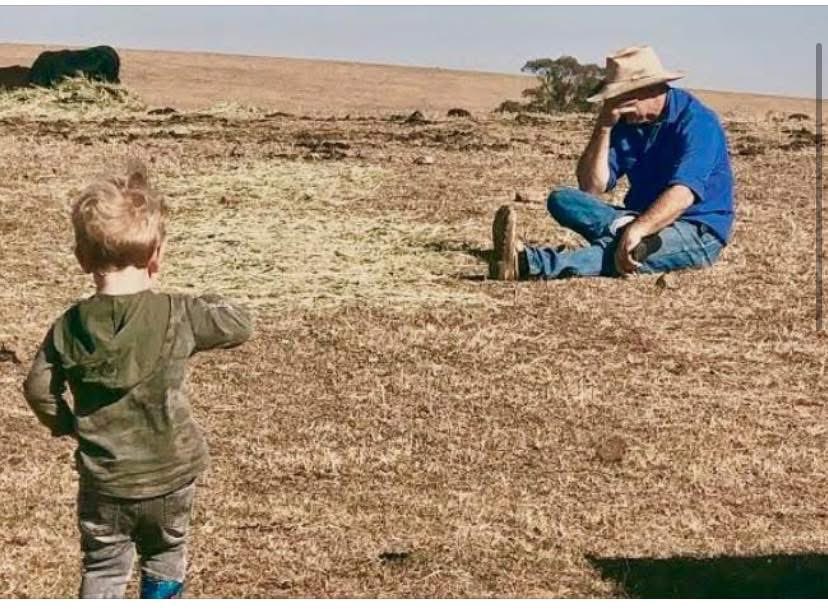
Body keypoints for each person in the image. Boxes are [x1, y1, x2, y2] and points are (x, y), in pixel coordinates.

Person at [23, 159, 253, 598]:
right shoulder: (179, 313)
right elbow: (240, 323)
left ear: (81, 258)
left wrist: (66, 423)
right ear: (155, 256)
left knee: (104, 566)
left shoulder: (68, 326)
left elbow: (37, 388)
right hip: (171, 473)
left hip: (106, 479)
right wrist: (204, 297)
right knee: (165, 555)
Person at [490, 45, 734, 281]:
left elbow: (682, 195)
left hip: (695, 228)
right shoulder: (627, 123)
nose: (617, 107)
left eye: (621, 98)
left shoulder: (698, 123)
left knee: (622, 254)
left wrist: (639, 230)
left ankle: (529, 263)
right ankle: (624, 241)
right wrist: (604, 126)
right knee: (561, 199)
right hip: (636, 218)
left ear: (649, 89)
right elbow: (591, 187)